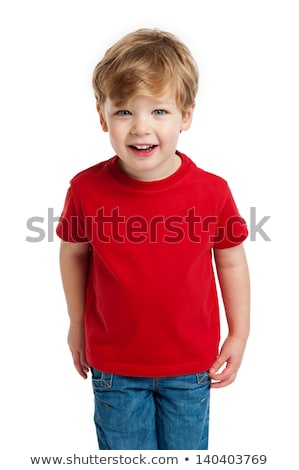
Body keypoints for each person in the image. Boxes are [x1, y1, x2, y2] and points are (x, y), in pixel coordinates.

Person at [56, 28, 250, 450]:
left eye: (159, 111)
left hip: (192, 368)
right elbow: (73, 254)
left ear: (186, 115)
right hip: (114, 369)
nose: (141, 127)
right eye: (125, 111)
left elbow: (230, 260)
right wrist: (75, 324)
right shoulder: (86, 189)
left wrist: (239, 332)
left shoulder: (212, 191)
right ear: (102, 116)